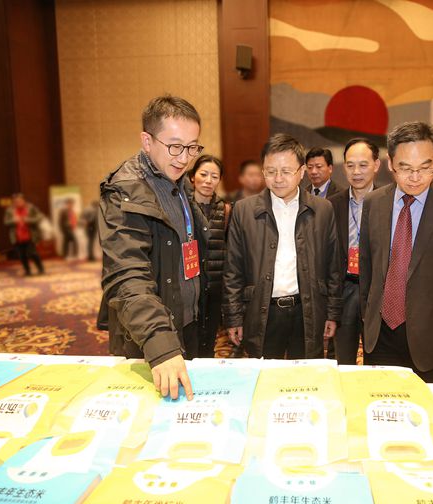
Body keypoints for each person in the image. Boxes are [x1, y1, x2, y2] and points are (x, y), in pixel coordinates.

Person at [98, 94, 206, 401]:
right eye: (175, 146)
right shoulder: (125, 191)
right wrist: (161, 343)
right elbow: (127, 274)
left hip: (185, 320)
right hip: (148, 333)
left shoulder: (178, 179)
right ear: (147, 141)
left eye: (192, 147)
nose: (184, 158)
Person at [359, 121, 433, 383]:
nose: (415, 177)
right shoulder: (373, 202)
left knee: (425, 405)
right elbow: (367, 268)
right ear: (391, 163)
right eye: (406, 168)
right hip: (379, 334)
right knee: (378, 400)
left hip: (432, 336)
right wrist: (366, 318)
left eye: (425, 168)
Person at [223, 133, 343, 359]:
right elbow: (233, 270)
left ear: (301, 171)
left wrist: (332, 313)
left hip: (307, 311)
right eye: (270, 171)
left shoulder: (323, 209)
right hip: (262, 311)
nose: (278, 178)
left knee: (306, 374)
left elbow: (333, 267)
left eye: (286, 171)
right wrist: (234, 317)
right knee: (265, 374)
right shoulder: (244, 210)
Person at [327, 138, 380, 364]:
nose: (356, 172)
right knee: (343, 359)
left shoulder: (390, 203)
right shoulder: (331, 205)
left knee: (377, 358)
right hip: (345, 288)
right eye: (350, 165)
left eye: (363, 165)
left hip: (377, 291)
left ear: (376, 165)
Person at [186, 154, 230, 358]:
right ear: (192, 177)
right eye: (203, 174)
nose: (208, 181)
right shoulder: (182, 207)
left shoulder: (226, 210)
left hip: (214, 287)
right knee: (188, 339)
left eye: (214, 176)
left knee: (209, 339)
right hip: (189, 286)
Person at [4, 193, 45, 276]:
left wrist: (28, 220)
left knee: (32, 253)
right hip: (17, 237)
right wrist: (13, 221)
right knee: (22, 255)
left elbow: (40, 217)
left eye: (19, 201)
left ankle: (41, 269)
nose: (18, 203)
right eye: (16, 202)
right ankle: (27, 271)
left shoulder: (31, 207)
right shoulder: (9, 210)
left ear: (23, 201)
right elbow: (6, 222)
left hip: (30, 235)